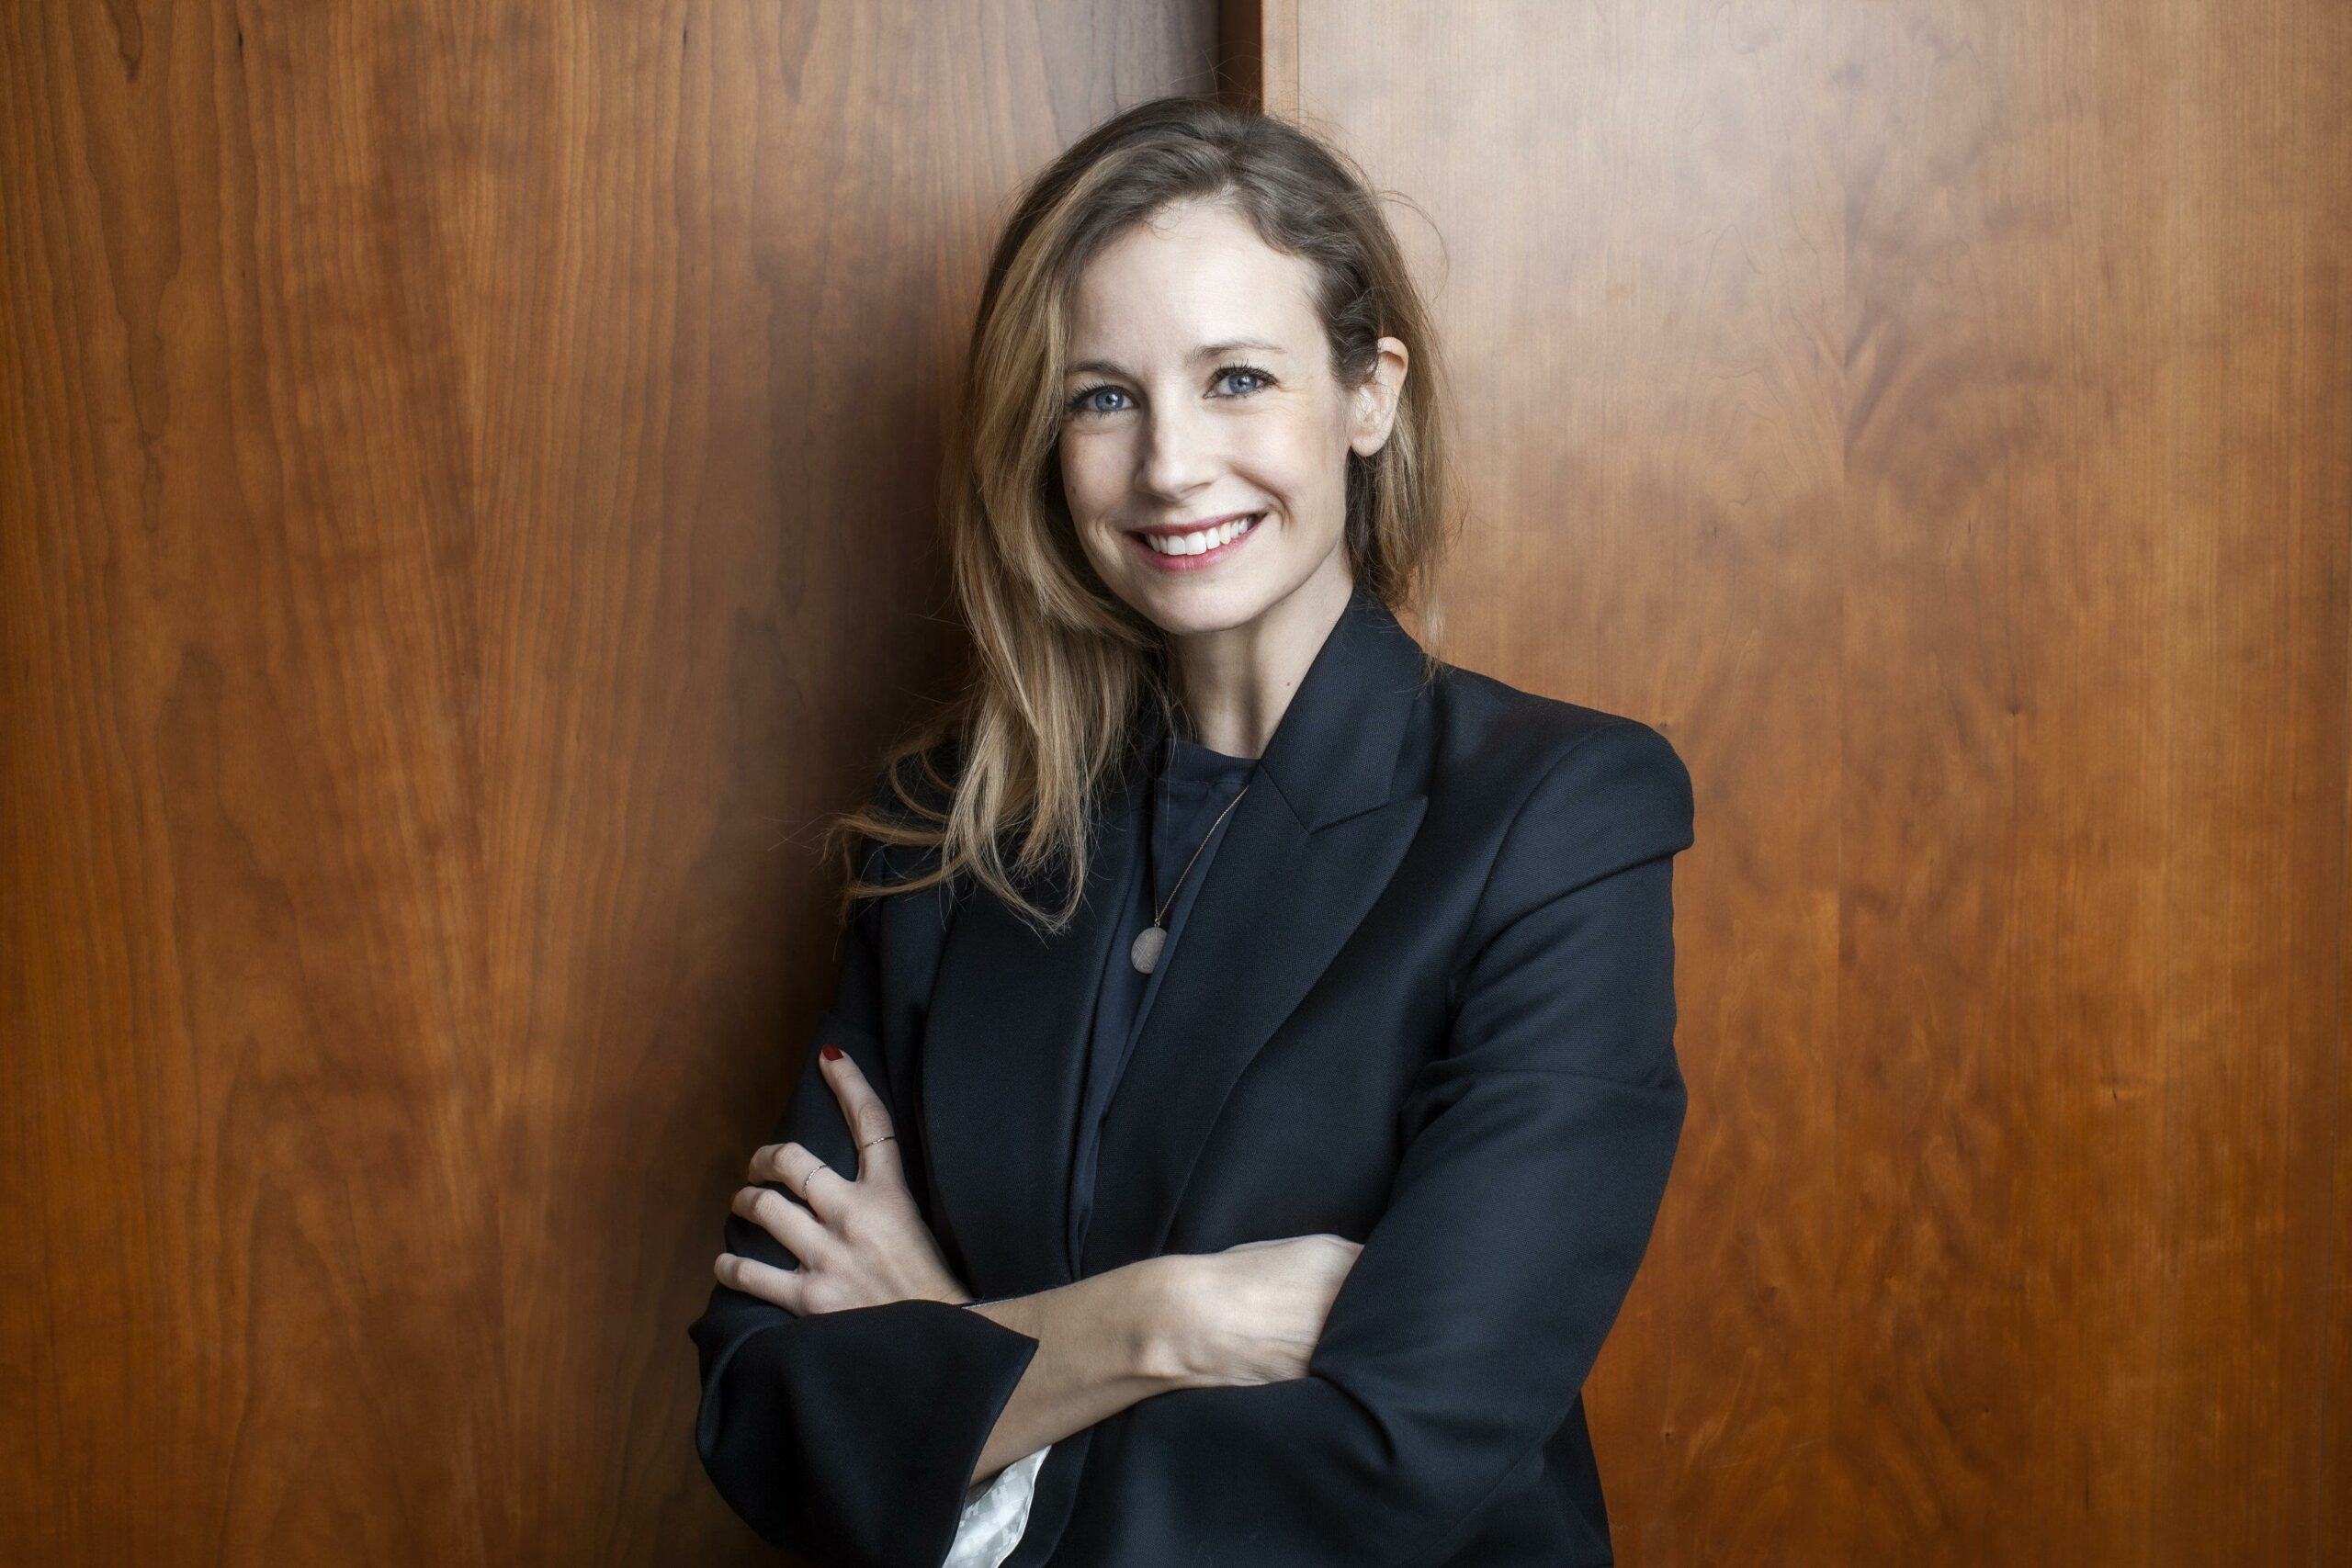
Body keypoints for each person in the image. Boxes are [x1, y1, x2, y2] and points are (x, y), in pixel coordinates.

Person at [686, 94, 1695, 1568]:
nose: (1169, 464)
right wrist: (1159, 1322)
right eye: (1103, 398)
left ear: (1368, 395)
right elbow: (763, 1407)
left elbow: (1398, 1451)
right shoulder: (943, 835)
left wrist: (956, 1351)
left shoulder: (1558, 819)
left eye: (1236, 379)